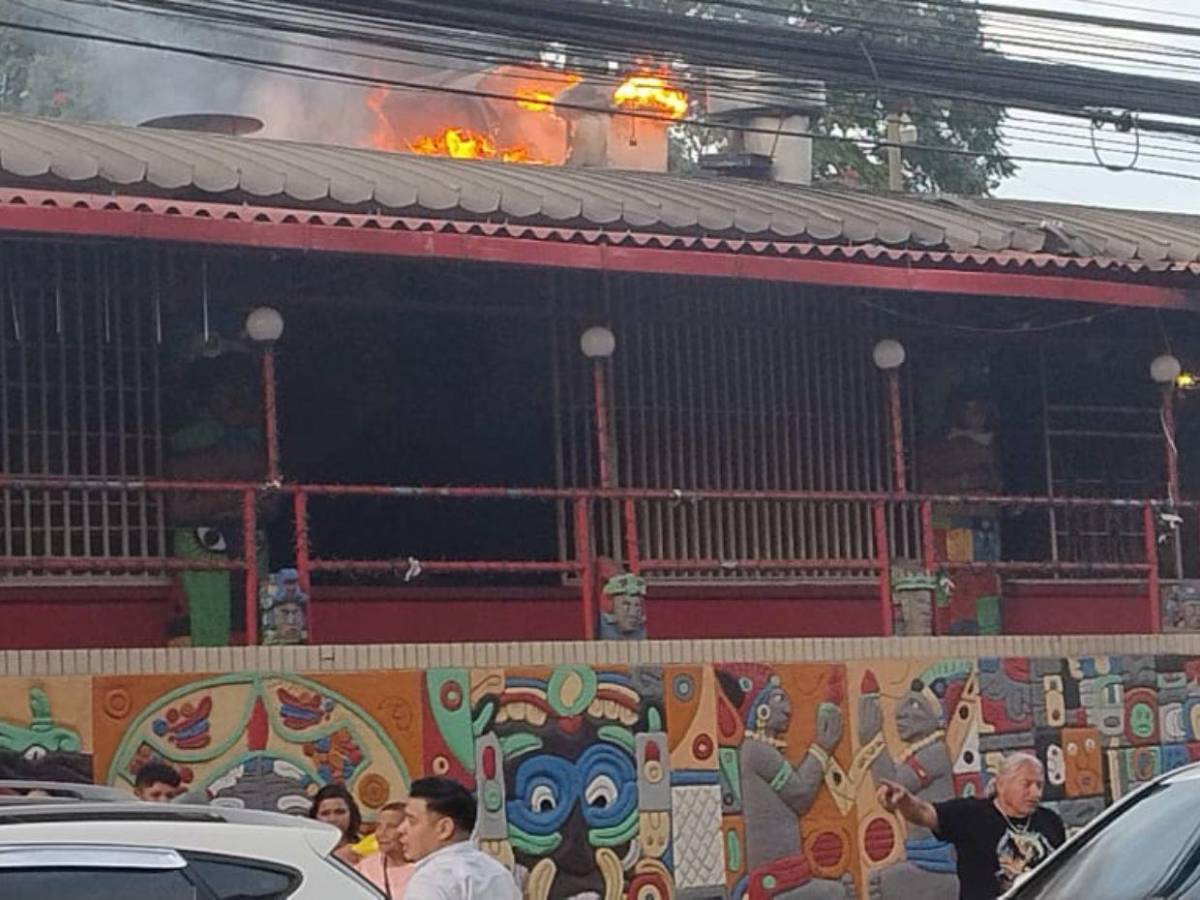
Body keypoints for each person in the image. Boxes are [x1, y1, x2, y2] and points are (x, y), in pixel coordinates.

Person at [877, 751, 1066, 900]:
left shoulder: (1051, 822)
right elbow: (924, 813)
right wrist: (904, 801)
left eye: (1039, 785)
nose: (1035, 793)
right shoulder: (971, 814)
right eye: (1027, 784)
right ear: (1001, 784)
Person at [400, 776, 520, 900]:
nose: (401, 829)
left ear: (444, 829)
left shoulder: (431, 880)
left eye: (411, 820)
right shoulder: (498, 874)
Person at [357, 800, 413, 899]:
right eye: (378, 826)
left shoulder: (426, 870)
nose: (381, 833)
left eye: (391, 827)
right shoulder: (364, 868)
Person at [308, 783, 363, 866]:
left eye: (339, 812)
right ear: (315, 817)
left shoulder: (367, 848)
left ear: (351, 814)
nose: (332, 819)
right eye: (325, 814)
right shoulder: (309, 850)